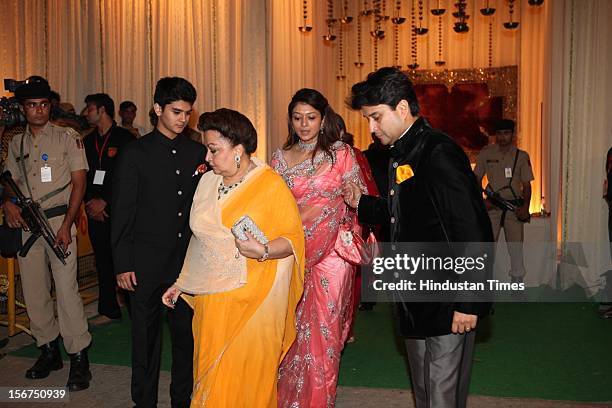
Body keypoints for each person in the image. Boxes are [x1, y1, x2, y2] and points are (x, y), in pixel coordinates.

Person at [343, 67, 493, 408]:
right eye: (368, 119)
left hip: (447, 297)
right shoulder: (402, 152)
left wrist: (469, 302)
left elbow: (473, 229)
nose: (371, 128)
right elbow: (404, 213)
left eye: (376, 118)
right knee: (425, 392)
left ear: (401, 108)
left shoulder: (437, 151)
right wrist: (362, 203)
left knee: (441, 395)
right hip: (414, 297)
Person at [161, 108, 304, 406]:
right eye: (207, 150)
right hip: (213, 300)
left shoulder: (270, 185)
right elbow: (201, 242)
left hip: (255, 301)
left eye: (214, 150)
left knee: (246, 377)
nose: (208, 158)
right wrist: (183, 282)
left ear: (238, 150)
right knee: (212, 374)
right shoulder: (208, 182)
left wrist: (262, 251)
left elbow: (292, 240)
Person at [111, 77, 206, 408]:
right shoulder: (135, 153)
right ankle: (144, 403)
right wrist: (122, 264)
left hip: (185, 266)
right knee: (145, 342)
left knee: (185, 340)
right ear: (157, 109)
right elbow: (122, 212)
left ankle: (183, 401)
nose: (183, 119)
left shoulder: (197, 151)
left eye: (187, 113)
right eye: (176, 111)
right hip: (145, 265)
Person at [273, 88, 366, 407]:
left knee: (324, 332)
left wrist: (355, 197)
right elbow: (273, 207)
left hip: (332, 257)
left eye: (311, 118)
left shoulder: (340, 154)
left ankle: (319, 401)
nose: (304, 124)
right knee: (291, 330)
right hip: (294, 254)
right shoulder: (280, 158)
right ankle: (288, 398)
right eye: (297, 118)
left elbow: (360, 200)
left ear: (323, 119)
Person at [1, 78, 92, 391]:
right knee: (35, 291)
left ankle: (79, 355)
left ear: (49, 106)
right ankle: (48, 350)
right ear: (23, 109)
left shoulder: (68, 137)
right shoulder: (16, 143)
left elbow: (79, 183)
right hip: (28, 226)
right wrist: (7, 205)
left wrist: (67, 225)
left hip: (57, 223)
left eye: (42, 104)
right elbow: (9, 181)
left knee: (67, 291)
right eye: (31, 105)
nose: (37, 110)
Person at [83, 93, 135, 323]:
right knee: (102, 261)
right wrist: (89, 203)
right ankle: (108, 309)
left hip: (119, 210)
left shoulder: (125, 139)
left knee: (124, 260)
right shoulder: (86, 141)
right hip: (94, 211)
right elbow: (81, 175)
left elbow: (129, 178)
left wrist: (106, 201)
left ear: (102, 110)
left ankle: (136, 309)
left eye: (89, 109)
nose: (86, 113)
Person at [474, 119, 534, 284]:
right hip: (492, 207)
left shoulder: (521, 156)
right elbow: (476, 178)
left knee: (515, 247)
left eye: (506, 133)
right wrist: (481, 202)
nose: (502, 137)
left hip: (513, 207)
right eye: (499, 133)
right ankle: (485, 283)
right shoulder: (486, 153)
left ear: (512, 135)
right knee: (487, 247)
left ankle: (517, 281)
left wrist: (525, 207)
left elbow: (527, 185)